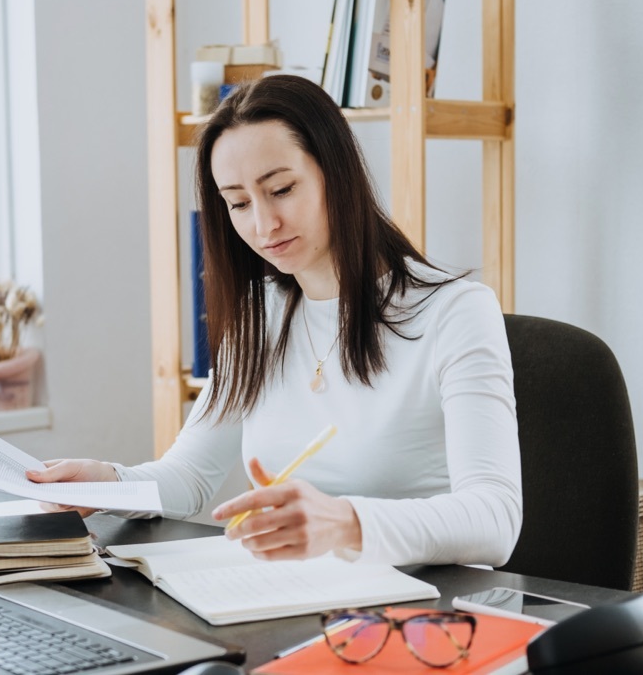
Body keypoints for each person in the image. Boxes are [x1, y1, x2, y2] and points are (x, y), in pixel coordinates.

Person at [27, 75, 521, 567]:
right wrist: (105, 482)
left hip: (421, 619)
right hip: (296, 601)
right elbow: (191, 475)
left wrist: (345, 522)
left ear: (337, 172)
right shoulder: (259, 315)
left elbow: (495, 519)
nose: (263, 226)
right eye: (239, 203)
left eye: (281, 189)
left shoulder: (456, 313)